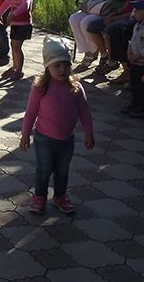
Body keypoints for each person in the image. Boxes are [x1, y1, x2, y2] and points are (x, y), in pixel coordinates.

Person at [20, 37, 95, 215]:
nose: (62, 70)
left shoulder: (75, 87)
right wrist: (25, 135)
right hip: (44, 139)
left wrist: (89, 132)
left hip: (66, 140)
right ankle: (39, 197)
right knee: (44, 169)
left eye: (66, 65)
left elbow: (84, 111)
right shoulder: (40, 88)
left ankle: (60, 196)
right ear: (47, 67)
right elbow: (30, 113)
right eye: (57, 65)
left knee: (62, 170)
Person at [0, 0, 33, 81]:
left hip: (23, 24)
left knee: (17, 46)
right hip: (15, 24)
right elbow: (7, 2)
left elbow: (25, 5)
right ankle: (15, 66)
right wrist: (0, 13)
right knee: (13, 45)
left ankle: (19, 70)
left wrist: (13, 14)